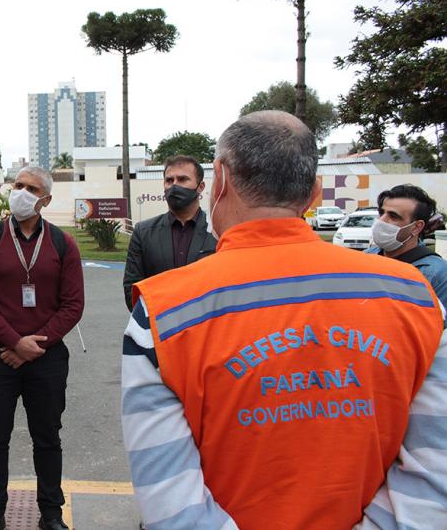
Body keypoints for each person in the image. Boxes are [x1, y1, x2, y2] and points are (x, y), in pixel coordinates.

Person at [121, 111, 447, 529]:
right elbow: (434, 478)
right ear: (313, 192)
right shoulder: (418, 299)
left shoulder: (161, 311)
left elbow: (171, 502)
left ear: (218, 181)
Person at [0, 166, 85, 530]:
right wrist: (14, 342)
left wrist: (34, 345)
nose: (21, 192)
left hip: (46, 358)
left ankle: (51, 513)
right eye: (18, 185)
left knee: (47, 438)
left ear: (45, 200)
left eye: (31, 188)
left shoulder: (63, 244)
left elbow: (73, 304)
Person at [122, 155, 216, 310]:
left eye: (183, 179)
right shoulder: (143, 232)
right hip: (158, 328)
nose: (174, 186)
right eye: (169, 180)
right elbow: (132, 289)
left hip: (206, 327)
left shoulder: (217, 232)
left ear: (201, 186)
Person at [365, 184, 447, 306]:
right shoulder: (366, 257)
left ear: (416, 227)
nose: (381, 221)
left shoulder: (436, 273)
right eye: (381, 212)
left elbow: (438, 323)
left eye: (393, 216)